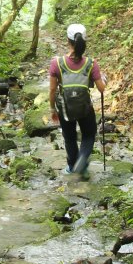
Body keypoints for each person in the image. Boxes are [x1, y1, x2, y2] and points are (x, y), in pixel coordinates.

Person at [49, 23, 106, 180]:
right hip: (84, 107)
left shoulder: (56, 63)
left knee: (69, 137)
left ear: (67, 40)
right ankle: (82, 162)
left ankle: (72, 166)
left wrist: (52, 109)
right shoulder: (91, 63)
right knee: (88, 134)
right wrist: (103, 79)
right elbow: (101, 88)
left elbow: (53, 90)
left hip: (65, 107)